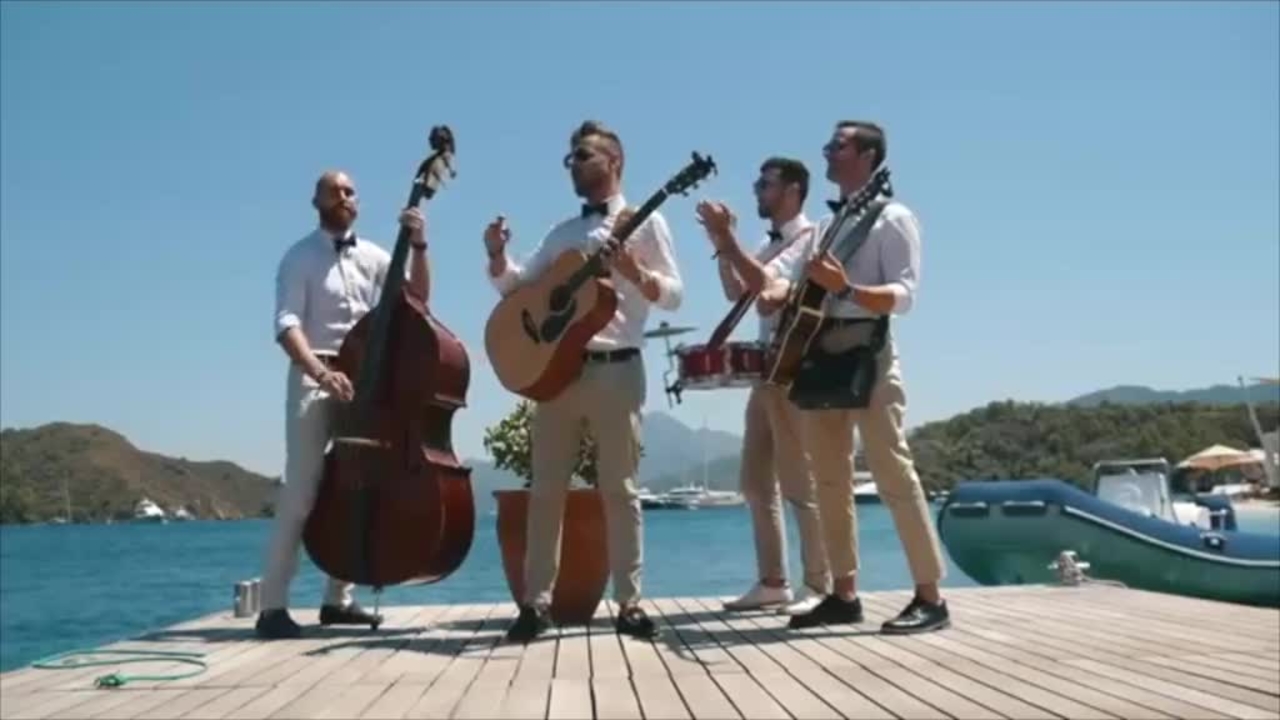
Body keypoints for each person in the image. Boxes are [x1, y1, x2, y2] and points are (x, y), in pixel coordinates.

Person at [483, 120, 682, 642]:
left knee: (620, 490)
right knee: (546, 490)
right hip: (558, 374)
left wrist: (637, 275)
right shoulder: (563, 233)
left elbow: (675, 295)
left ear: (614, 161)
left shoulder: (646, 223)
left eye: (582, 156)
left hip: (618, 369)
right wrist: (498, 256)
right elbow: (518, 287)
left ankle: (629, 604)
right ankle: (536, 605)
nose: (572, 164)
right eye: (569, 158)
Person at [758, 121, 950, 633]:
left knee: (892, 471)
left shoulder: (894, 218)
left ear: (867, 155)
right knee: (828, 478)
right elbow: (794, 281)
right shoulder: (826, 226)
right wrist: (775, 292)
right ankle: (844, 594)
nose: (826, 150)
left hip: (870, 351)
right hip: (821, 351)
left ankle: (930, 596)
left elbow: (904, 296)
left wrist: (846, 288)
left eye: (837, 145)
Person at [257, 169, 432, 639]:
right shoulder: (299, 257)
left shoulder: (375, 255)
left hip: (366, 380)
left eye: (351, 191)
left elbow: (417, 299)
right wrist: (320, 372)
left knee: (361, 485)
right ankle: (271, 607)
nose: (344, 197)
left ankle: (338, 600)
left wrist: (418, 246)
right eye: (334, 191)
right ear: (316, 201)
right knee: (302, 490)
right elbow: (286, 325)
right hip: (315, 377)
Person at [694, 157, 831, 616]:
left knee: (799, 481)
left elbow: (767, 287)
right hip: (768, 370)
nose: (757, 189)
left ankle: (820, 584)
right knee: (754, 481)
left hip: (795, 368)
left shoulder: (810, 238)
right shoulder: (767, 245)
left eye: (765, 183)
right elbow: (738, 292)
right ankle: (773, 581)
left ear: (792, 190)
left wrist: (728, 241)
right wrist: (723, 247)